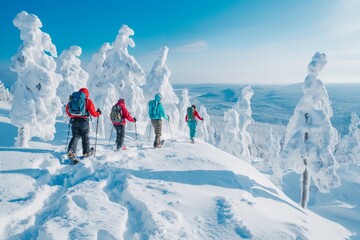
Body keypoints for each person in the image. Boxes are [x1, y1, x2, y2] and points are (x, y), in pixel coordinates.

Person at [66, 88, 101, 159]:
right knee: (85, 137)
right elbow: (93, 113)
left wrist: (73, 116)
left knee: (75, 136)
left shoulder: (73, 100)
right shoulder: (87, 101)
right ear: (87, 94)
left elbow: (68, 111)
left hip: (74, 120)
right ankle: (86, 153)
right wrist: (98, 113)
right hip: (83, 121)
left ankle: (71, 151)